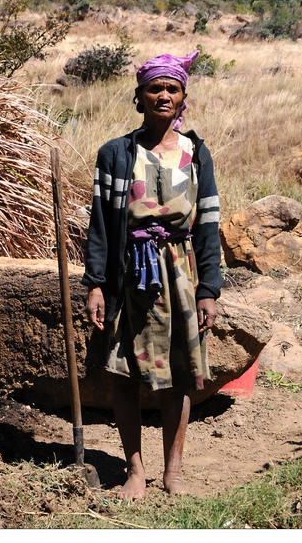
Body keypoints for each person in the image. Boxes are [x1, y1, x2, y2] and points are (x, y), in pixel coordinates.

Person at [81, 50, 223, 499]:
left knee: (178, 374)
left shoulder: (197, 154)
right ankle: (136, 470)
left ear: (183, 98)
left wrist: (210, 290)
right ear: (139, 97)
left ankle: (173, 471)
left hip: (180, 272)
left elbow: (208, 224)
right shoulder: (115, 154)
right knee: (124, 371)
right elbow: (101, 225)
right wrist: (97, 283)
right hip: (129, 274)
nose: (163, 95)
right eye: (154, 88)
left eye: (172, 89)